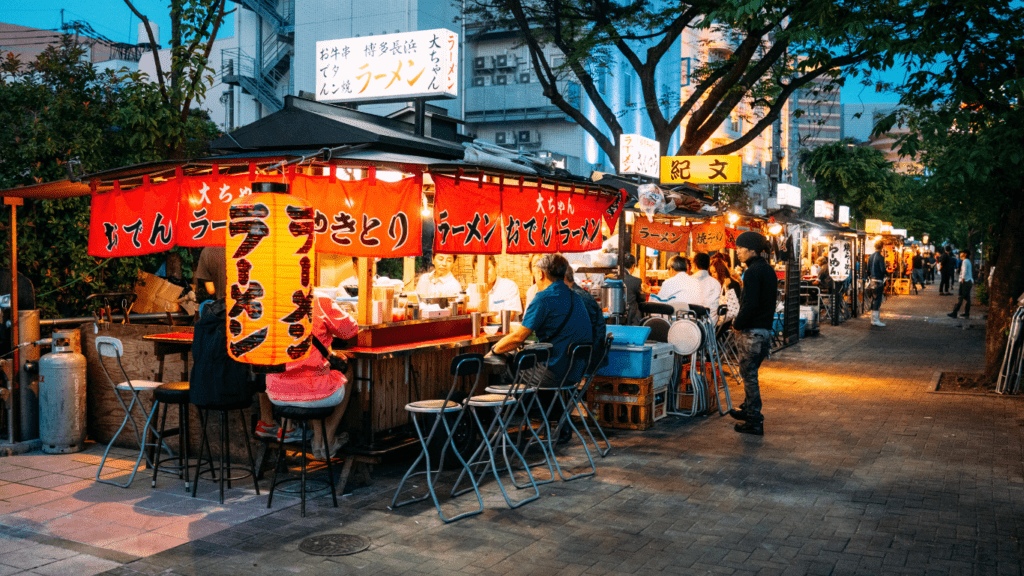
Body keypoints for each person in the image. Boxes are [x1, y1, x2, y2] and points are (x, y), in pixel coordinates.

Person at [265, 294, 360, 459]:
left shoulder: (270, 304)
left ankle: (319, 437)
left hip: (276, 392)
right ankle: (326, 438)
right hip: (313, 390)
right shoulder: (319, 301)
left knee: (316, 375)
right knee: (342, 372)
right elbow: (350, 330)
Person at [490, 254, 592, 389]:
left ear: (540, 274)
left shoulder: (543, 298)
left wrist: (494, 350)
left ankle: (501, 410)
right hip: (575, 374)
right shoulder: (576, 297)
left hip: (553, 373)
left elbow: (518, 337)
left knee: (503, 367)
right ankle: (537, 408)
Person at [727, 232, 776, 436]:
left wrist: (738, 323)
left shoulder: (753, 272)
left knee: (749, 377)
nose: (737, 251)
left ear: (752, 250)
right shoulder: (767, 270)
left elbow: (750, 304)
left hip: (752, 332)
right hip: (764, 331)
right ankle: (748, 409)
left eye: (741, 248)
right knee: (750, 374)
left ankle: (754, 419)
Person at [564, 266, 609, 372]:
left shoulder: (576, 297)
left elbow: (577, 332)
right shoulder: (577, 294)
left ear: (564, 278)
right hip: (588, 354)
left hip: (584, 359)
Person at [620, 253, 648, 325]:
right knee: (636, 307)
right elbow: (641, 299)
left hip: (616, 312)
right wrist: (644, 292)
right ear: (633, 266)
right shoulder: (636, 281)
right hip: (631, 316)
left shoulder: (612, 277)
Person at [948, 250, 974, 319]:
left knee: (960, 297)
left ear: (965, 254)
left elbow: (964, 271)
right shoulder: (968, 261)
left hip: (965, 281)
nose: (960, 254)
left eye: (961, 253)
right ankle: (966, 313)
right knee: (967, 298)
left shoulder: (965, 261)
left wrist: (963, 278)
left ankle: (954, 312)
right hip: (969, 281)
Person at [868, 239, 888, 327]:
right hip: (878, 281)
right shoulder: (880, 257)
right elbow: (883, 270)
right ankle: (875, 320)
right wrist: (886, 273)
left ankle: (873, 319)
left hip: (871, 281)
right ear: (882, 247)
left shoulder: (870, 257)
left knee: (873, 299)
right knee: (877, 300)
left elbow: (868, 269)